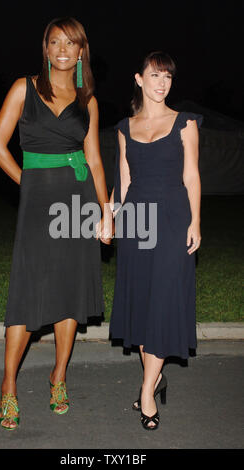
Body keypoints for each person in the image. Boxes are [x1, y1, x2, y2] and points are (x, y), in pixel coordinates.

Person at [0, 16, 111, 430]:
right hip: (39, 204)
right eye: (55, 41)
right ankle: (9, 385)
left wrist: (105, 210)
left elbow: (93, 160)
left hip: (78, 204)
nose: (62, 48)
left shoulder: (87, 100)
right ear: (46, 48)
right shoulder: (24, 89)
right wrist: (28, 182)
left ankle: (58, 376)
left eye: (70, 43)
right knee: (28, 290)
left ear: (81, 52)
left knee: (70, 289)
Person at [109, 51, 202, 430]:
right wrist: (110, 217)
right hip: (136, 224)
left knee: (164, 303)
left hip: (173, 218)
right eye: (154, 75)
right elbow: (123, 181)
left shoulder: (185, 124)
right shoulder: (124, 127)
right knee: (145, 304)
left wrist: (196, 221)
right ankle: (156, 377)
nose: (161, 82)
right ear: (139, 78)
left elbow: (192, 175)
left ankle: (147, 391)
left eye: (167, 76)